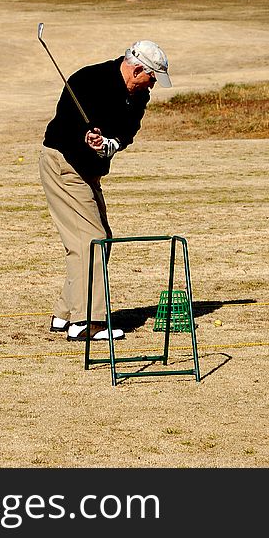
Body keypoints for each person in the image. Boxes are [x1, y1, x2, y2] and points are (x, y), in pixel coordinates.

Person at [39, 40, 172, 342]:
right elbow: (66, 124)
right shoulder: (87, 80)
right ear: (138, 68)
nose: (152, 86)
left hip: (87, 171)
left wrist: (111, 144)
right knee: (91, 241)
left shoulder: (138, 96)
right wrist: (85, 137)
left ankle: (65, 314)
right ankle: (88, 322)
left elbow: (128, 131)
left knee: (100, 239)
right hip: (63, 163)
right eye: (151, 78)